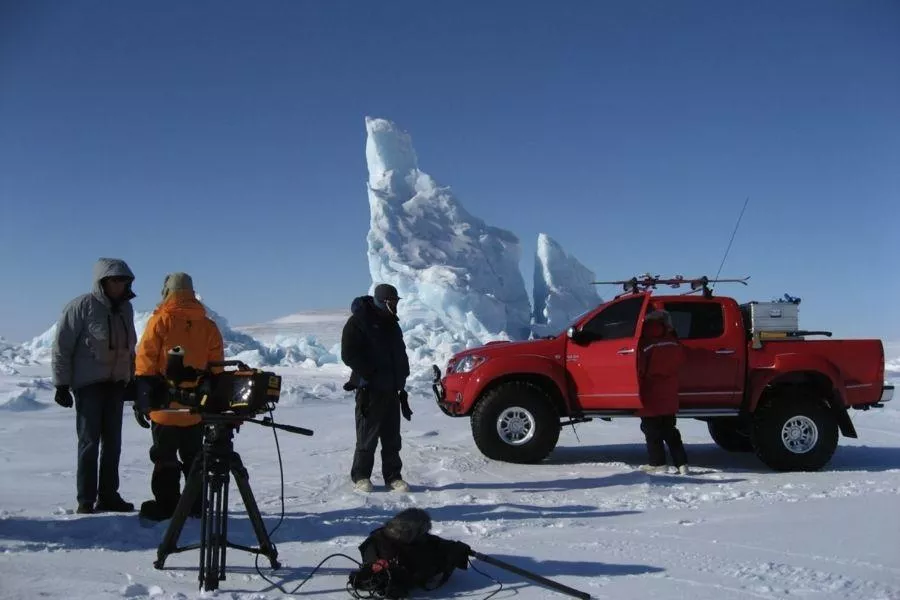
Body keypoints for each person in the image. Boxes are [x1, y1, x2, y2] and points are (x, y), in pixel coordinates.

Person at [133, 272, 224, 521]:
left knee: (165, 457)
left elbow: (145, 360)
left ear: (167, 292)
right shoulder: (207, 325)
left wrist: (142, 399)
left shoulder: (160, 321)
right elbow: (216, 366)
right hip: (195, 409)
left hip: (165, 407)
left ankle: (167, 504)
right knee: (194, 457)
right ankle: (194, 503)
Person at [51, 258, 138, 514]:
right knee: (90, 441)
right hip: (89, 384)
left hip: (116, 384)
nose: (120, 285)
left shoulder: (126, 310)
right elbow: (62, 347)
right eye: (115, 280)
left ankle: (109, 495)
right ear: (103, 281)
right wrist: (61, 384)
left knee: (113, 443)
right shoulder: (81, 307)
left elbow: (129, 348)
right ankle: (86, 499)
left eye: (124, 280)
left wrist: (130, 378)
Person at [341, 283, 411, 493]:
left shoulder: (392, 324)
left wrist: (402, 375)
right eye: (392, 301)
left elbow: (399, 352)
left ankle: (393, 477)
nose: (395, 305)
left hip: (391, 390)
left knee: (392, 438)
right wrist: (370, 372)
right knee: (367, 437)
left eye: (396, 301)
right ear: (382, 301)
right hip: (370, 390)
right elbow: (349, 353)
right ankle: (361, 476)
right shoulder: (359, 322)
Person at [637, 308, 689, 474]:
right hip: (669, 390)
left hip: (651, 391)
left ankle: (658, 463)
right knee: (670, 430)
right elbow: (681, 361)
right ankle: (682, 464)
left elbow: (640, 368)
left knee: (651, 430)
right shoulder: (673, 342)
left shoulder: (645, 343)